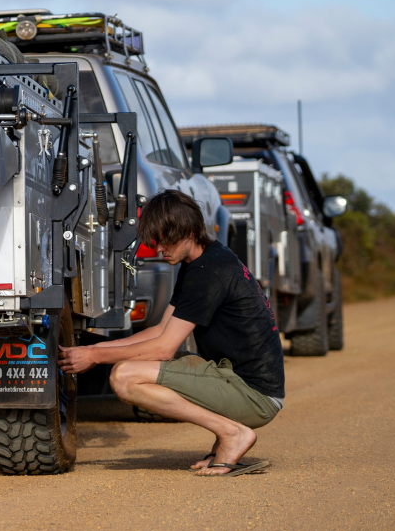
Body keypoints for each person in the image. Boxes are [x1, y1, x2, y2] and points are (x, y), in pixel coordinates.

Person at [58, 189, 284, 476]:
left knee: (125, 377)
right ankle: (226, 437)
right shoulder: (203, 262)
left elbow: (164, 348)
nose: (159, 247)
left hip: (255, 396)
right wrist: (95, 349)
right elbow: (160, 329)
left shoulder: (208, 272)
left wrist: (95, 356)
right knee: (130, 368)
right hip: (235, 379)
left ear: (189, 230)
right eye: (156, 240)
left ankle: (231, 433)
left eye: (166, 238)